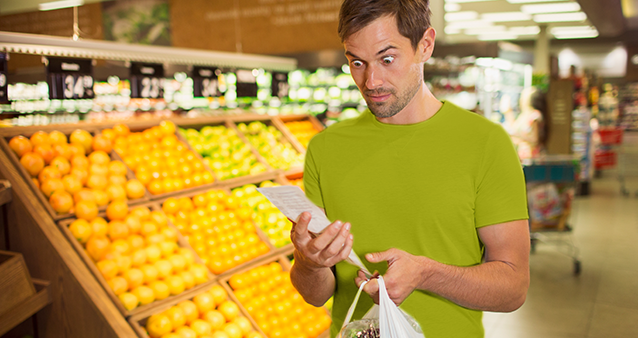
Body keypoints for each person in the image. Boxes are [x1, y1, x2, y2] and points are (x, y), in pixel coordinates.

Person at [289, 0, 531, 337]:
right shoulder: (325, 148)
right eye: (357, 62)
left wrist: (427, 273)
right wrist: (309, 263)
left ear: (425, 45)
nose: (371, 81)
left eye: (387, 59)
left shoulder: (485, 143)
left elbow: (513, 288)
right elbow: (315, 295)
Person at [504, 87, 547, 160]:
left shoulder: (534, 116)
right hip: (522, 156)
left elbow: (534, 139)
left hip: (532, 157)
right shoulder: (523, 116)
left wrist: (519, 137)